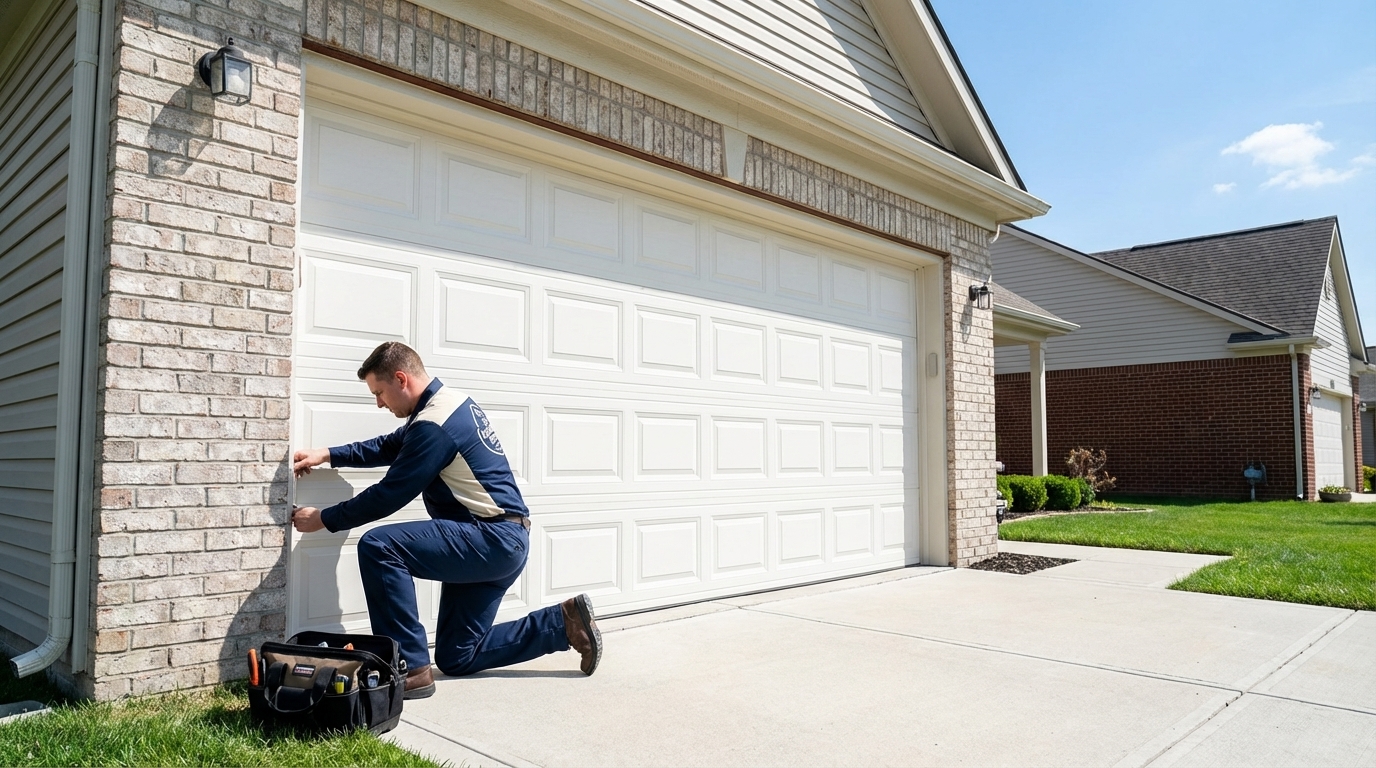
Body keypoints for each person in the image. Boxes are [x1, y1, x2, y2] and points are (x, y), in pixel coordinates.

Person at [291, 341, 601, 699]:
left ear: (401, 379)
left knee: (379, 546)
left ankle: (410, 669)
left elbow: (392, 492)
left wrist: (326, 518)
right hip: (501, 540)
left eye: (379, 392)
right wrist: (328, 454)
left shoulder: (434, 424)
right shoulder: (448, 405)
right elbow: (389, 446)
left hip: (491, 539)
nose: (379, 403)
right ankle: (564, 624)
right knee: (458, 656)